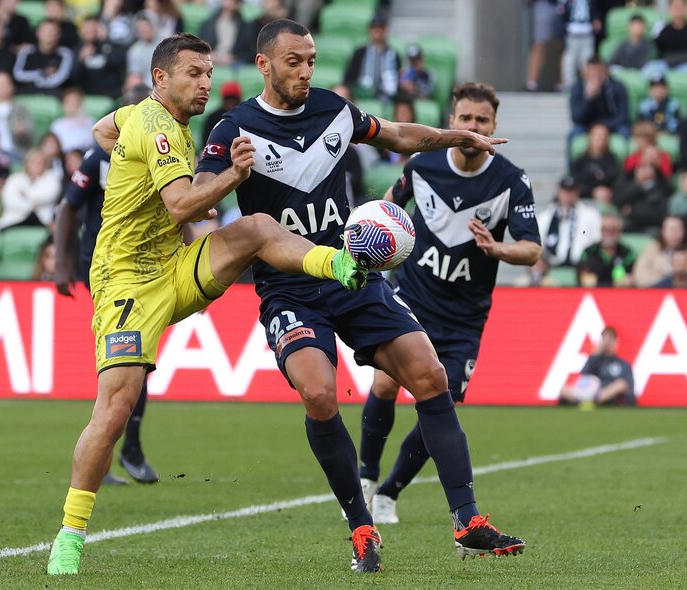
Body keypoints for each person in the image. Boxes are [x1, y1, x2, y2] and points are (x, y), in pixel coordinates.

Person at [196, 20, 524, 572]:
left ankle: (467, 521)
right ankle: (362, 527)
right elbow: (199, 204)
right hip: (289, 288)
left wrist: (455, 138)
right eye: (294, 61)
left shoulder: (335, 110)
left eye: (311, 59)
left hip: (352, 274)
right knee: (321, 395)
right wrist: (230, 178)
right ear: (264, 65)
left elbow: (398, 135)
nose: (305, 70)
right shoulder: (233, 130)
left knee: (430, 376)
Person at [46, 32, 371, 576]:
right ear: (161, 78)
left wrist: (120, 143)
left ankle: (335, 263)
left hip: (173, 268)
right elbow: (179, 207)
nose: (205, 83)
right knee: (117, 407)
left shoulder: (141, 118)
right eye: (194, 73)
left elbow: (106, 129)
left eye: (208, 72)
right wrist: (234, 176)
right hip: (127, 284)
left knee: (257, 228)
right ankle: (70, 534)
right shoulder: (158, 129)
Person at [354, 82, 542, 525]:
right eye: (466, 119)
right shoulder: (423, 164)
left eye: (482, 120)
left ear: (494, 126)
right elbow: (388, 207)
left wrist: (498, 250)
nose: (473, 127)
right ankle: (365, 477)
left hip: (464, 318)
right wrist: (376, 245)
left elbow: (531, 250)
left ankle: (390, 492)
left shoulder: (511, 180)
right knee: (384, 384)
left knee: (441, 403)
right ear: (451, 122)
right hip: (411, 298)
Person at [53, 83, 159, 487]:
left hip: (148, 266)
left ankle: (125, 447)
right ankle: (119, 450)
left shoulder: (160, 151)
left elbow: (176, 208)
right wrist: (61, 264)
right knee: (129, 358)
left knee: (136, 359)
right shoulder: (100, 157)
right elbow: (68, 208)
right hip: (105, 267)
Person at [558, 327, 635, 406]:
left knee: (620, 384)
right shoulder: (595, 360)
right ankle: (589, 400)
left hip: (608, 396)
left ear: (616, 342)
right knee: (564, 390)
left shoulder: (624, 365)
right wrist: (596, 353)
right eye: (605, 340)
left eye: (610, 340)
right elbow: (584, 377)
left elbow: (630, 392)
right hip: (590, 392)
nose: (607, 344)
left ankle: (594, 400)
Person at [537, 175, 602, 268]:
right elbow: (538, 244)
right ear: (558, 192)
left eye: (572, 191)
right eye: (565, 191)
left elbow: (597, 239)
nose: (568, 195)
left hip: (583, 266)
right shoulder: (545, 216)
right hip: (550, 267)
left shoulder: (591, 214)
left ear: (577, 192)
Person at [0, 149, 62, 230]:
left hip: (42, 222)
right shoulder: (15, 179)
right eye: (34, 161)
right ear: (27, 163)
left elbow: (49, 196)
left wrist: (26, 195)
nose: (38, 164)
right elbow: (9, 200)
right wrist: (32, 207)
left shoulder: (52, 178)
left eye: (41, 161)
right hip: (13, 221)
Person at [632, 214, 687, 287]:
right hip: (656, 294)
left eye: (678, 229)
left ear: (684, 231)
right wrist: (667, 281)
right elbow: (639, 276)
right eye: (670, 229)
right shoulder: (652, 248)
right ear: (663, 231)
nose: (674, 233)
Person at [642, 0, 687, 80]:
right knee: (647, 71)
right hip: (665, 63)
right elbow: (656, 47)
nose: (678, 10)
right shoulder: (660, 27)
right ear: (669, 9)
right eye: (675, 6)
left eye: (681, 6)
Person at [344, 15, 401, 100]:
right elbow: (349, 78)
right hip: (362, 95)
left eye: (381, 27)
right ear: (369, 30)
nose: (377, 30)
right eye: (374, 27)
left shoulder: (394, 54)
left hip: (388, 97)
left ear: (386, 29)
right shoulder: (359, 52)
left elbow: (398, 79)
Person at [12, 19, 76, 96]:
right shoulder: (26, 51)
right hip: (28, 93)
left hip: (53, 95)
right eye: (46, 31)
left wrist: (40, 82)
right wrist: (41, 73)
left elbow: (61, 77)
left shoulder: (65, 54)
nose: (50, 34)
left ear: (59, 35)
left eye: (54, 32)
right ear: (38, 33)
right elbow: (18, 74)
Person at [73, 17, 127, 99]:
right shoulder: (79, 49)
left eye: (91, 28)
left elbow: (120, 62)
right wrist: (80, 59)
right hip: (87, 96)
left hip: (109, 96)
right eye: (85, 28)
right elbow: (72, 76)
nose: (87, 31)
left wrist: (105, 40)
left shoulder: (109, 46)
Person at [577, 211, 635, 287]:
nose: (609, 233)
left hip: (620, 296)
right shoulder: (589, 252)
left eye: (614, 229)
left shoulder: (627, 254)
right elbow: (585, 280)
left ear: (620, 231)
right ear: (600, 230)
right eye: (606, 229)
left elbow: (632, 277)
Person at [570, 122, 619, 199]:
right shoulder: (581, 161)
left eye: (604, 137)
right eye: (598, 136)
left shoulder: (612, 160)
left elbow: (616, 181)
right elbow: (576, 182)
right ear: (590, 137)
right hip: (584, 200)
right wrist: (592, 192)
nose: (601, 139)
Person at [197, 0, 254, 66]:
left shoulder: (245, 26)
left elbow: (250, 52)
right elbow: (199, 47)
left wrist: (234, 57)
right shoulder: (208, 24)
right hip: (210, 60)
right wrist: (210, 55)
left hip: (233, 64)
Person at [559, 0, 595, 90]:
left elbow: (596, 10)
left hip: (587, 33)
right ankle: (570, 86)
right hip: (572, 34)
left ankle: (588, 85)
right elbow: (562, 13)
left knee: (587, 60)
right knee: (570, 61)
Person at [50, 88, 96, 153]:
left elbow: (90, 143)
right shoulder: (57, 124)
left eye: (76, 102)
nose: (72, 105)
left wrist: (82, 125)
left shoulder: (90, 121)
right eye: (68, 101)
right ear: (63, 105)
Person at [200, 81, 243, 146]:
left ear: (239, 99)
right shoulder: (213, 117)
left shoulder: (247, 116)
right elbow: (205, 143)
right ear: (223, 99)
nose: (231, 102)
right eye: (228, 98)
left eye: (234, 98)